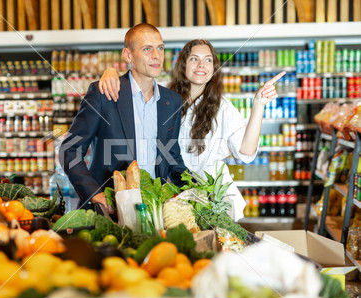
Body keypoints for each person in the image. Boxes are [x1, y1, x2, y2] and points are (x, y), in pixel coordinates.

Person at [98, 39, 285, 220]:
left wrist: (258, 104)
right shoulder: (161, 97)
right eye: (194, 59)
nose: (201, 65)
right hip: (170, 195)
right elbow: (133, 87)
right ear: (183, 65)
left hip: (210, 199)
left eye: (208, 60)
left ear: (214, 68)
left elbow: (246, 151)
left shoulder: (223, 107)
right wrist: (111, 73)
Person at [60, 23, 189, 215]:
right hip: (108, 212)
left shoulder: (172, 101)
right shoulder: (104, 93)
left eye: (160, 48)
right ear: (128, 55)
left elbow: (173, 159)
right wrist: (95, 195)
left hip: (152, 212)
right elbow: (69, 150)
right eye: (147, 49)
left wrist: (196, 191)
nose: (156, 56)